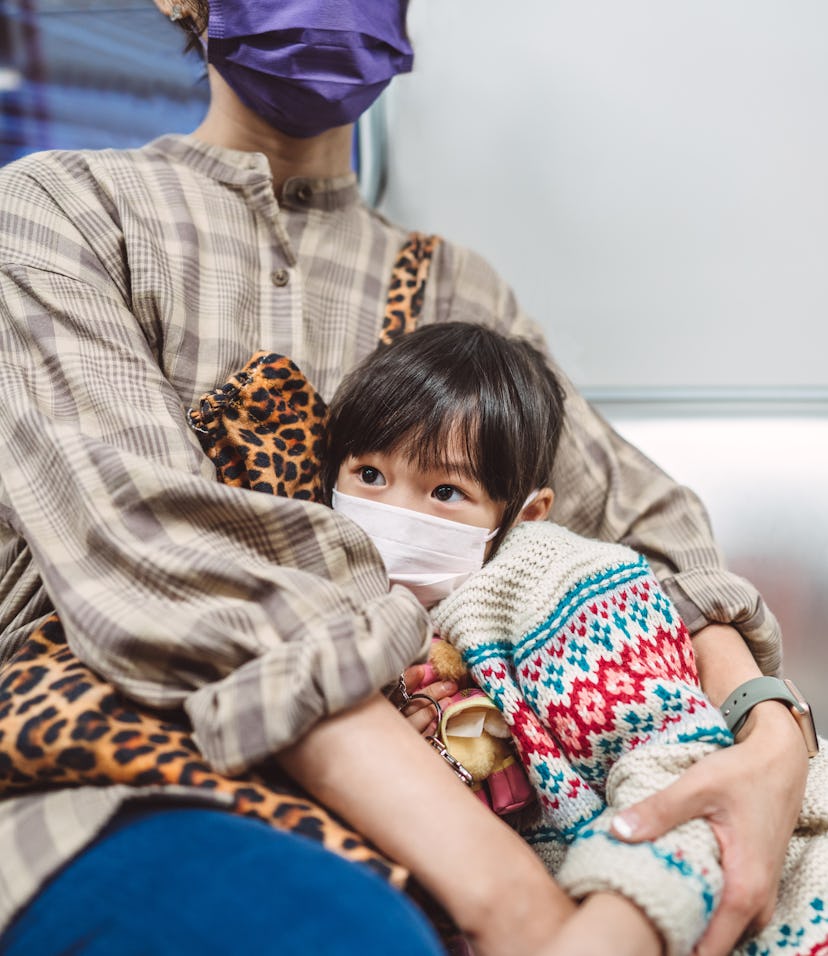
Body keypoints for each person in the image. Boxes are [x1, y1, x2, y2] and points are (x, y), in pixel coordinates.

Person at [0, 0, 810, 952]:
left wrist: (769, 741)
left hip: (439, 817)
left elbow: (650, 530)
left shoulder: (457, 293)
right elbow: (156, 556)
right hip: (120, 778)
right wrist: (524, 914)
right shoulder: (61, 211)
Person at [323, 321, 827, 956]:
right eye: (370, 475)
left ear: (525, 515)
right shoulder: (345, 613)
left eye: (446, 491)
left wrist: (610, 933)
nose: (396, 514)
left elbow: (678, 776)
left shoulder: (563, 585)